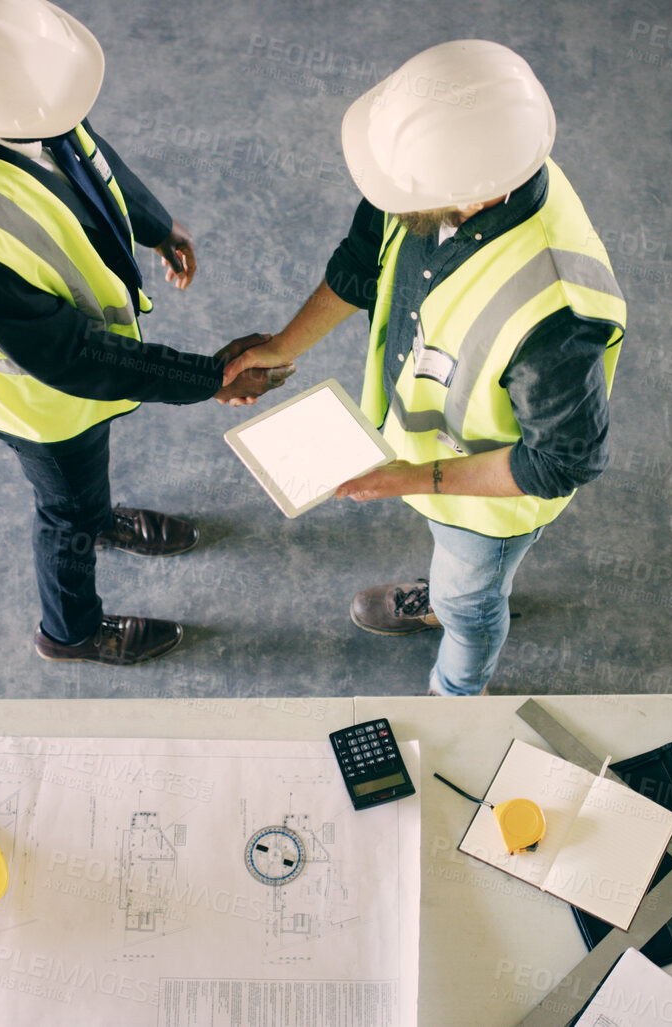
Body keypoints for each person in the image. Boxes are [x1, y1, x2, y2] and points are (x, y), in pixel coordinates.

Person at [223, 40, 627, 696]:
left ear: (476, 190)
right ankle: (442, 591)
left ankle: (456, 691)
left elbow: (559, 464)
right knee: (455, 572)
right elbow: (362, 260)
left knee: (471, 597)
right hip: (424, 455)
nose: (388, 197)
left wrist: (406, 479)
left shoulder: (554, 309)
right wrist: (280, 346)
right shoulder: (431, 174)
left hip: (485, 507)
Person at [0, 0, 290, 666]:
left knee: (80, 488)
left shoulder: (11, 105)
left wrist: (155, 223)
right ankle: (71, 630)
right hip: (40, 404)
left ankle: (99, 518)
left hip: (71, 391)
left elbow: (86, 157)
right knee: (64, 512)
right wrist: (207, 377)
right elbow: (77, 358)